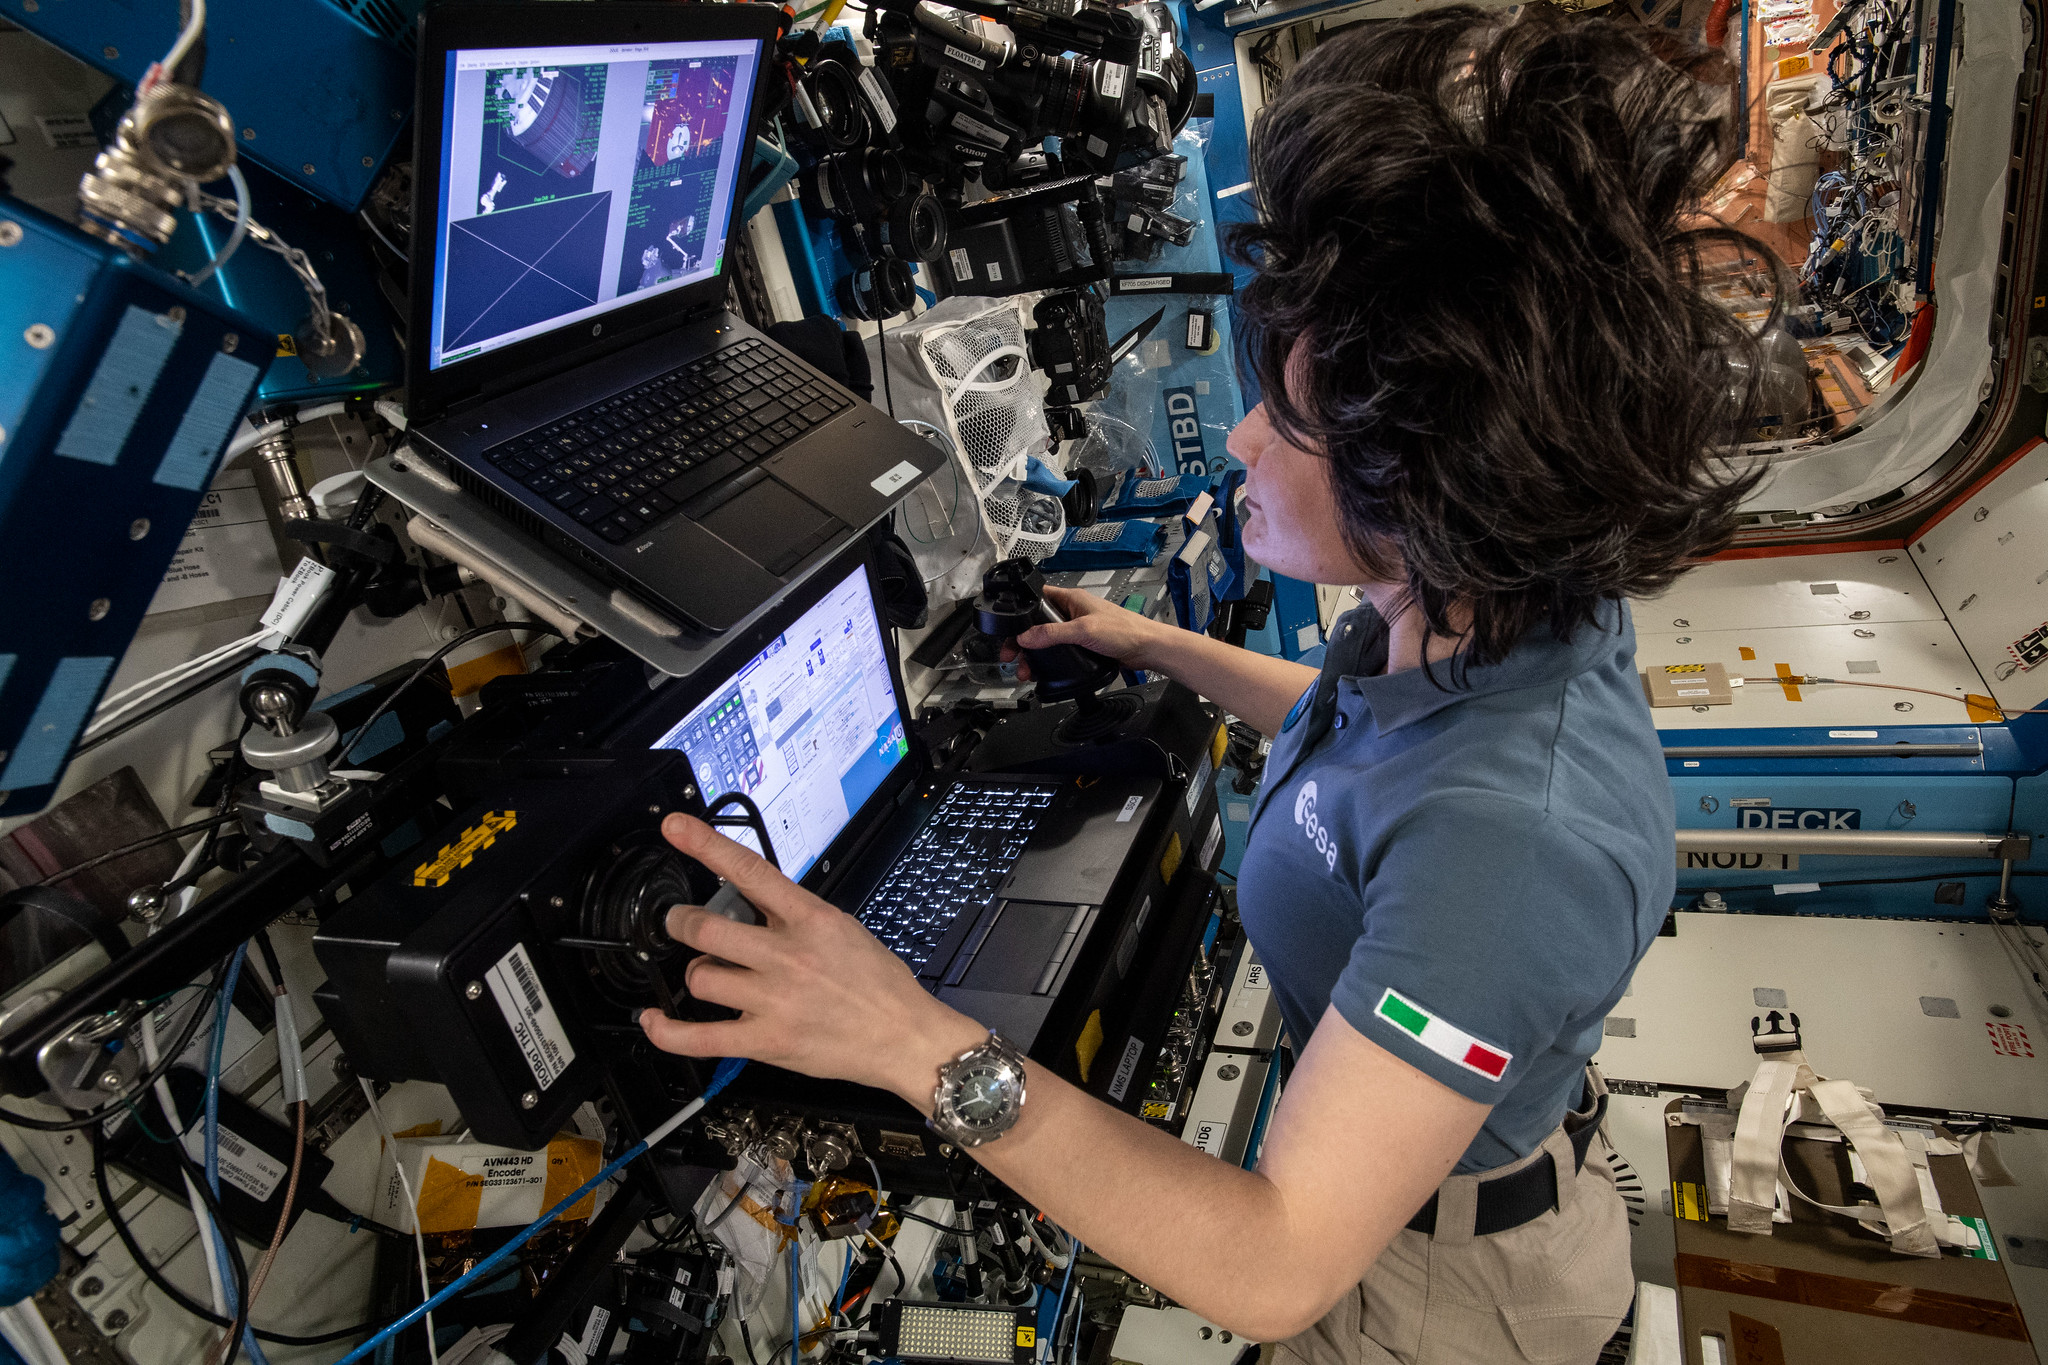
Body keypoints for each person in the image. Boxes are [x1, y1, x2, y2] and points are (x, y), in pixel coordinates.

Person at [638, 7, 1773, 1362]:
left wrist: (907, 1041)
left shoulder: (1511, 846)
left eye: (1285, 421)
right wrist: (1158, 647)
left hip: (1437, 1298)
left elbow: (1275, 1262)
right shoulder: (1485, 616)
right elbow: (1374, 760)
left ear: (1426, 478)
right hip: (1417, 1199)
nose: (1237, 441)